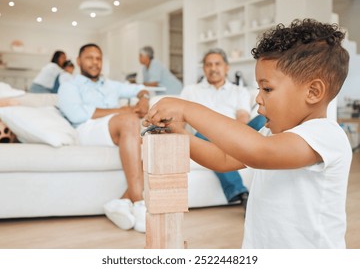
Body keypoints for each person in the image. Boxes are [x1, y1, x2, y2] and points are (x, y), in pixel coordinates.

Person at [144, 19, 352, 248]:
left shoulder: (326, 135)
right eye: (258, 88)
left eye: (267, 89)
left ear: (313, 92)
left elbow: (260, 152)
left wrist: (187, 108)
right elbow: (222, 159)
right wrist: (181, 136)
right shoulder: (271, 133)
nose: (258, 98)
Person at [58, 43, 150, 233]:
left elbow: (140, 88)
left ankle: (121, 202)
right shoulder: (69, 85)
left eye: (98, 58)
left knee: (151, 139)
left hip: (114, 127)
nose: (95, 62)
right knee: (130, 121)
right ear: (78, 61)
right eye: (89, 58)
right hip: (86, 129)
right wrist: (122, 111)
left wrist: (144, 97)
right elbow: (76, 115)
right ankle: (139, 202)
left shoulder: (111, 85)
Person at [180, 48, 265, 208]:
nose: (213, 68)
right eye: (209, 64)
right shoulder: (190, 91)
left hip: (235, 134)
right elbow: (180, 121)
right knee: (205, 131)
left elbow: (243, 118)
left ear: (226, 67)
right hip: (204, 136)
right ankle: (240, 192)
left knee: (263, 120)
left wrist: (229, 137)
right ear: (204, 68)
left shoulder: (239, 91)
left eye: (217, 64)